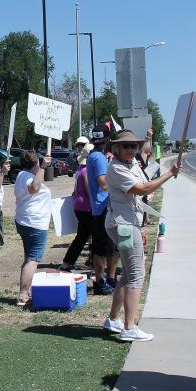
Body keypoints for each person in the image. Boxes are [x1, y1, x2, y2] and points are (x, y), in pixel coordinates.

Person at [102, 130, 181, 342]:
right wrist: (169, 173)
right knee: (136, 274)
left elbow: (145, 160)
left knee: (129, 274)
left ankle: (113, 320)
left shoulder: (131, 164)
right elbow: (141, 189)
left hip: (128, 224)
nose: (130, 149)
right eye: (125, 146)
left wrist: (141, 227)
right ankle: (129, 327)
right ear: (116, 148)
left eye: (133, 146)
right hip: (123, 225)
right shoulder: (117, 168)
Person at [13, 151, 53, 305]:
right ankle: (23, 295)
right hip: (34, 223)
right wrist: (43, 167)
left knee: (29, 257)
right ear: (36, 163)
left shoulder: (22, 175)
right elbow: (34, 188)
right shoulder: (29, 177)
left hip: (26, 221)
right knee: (33, 260)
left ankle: (26, 290)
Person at [86, 125, 117, 294]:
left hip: (102, 207)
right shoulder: (98, 157)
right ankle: (100, 282)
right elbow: (103, 183)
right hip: (102, 208)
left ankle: (109, 279)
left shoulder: (96, 155)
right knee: (102, 248)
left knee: (111, 247)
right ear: (107, 140)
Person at [60, 138, 94, 271]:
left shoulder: (81, 168)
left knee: (82, 236)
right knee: (94, 236)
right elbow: (89, 189)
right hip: (87, 207)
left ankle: (67, 262)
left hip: (79, 206)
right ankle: (94, 262)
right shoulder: (87, 170)